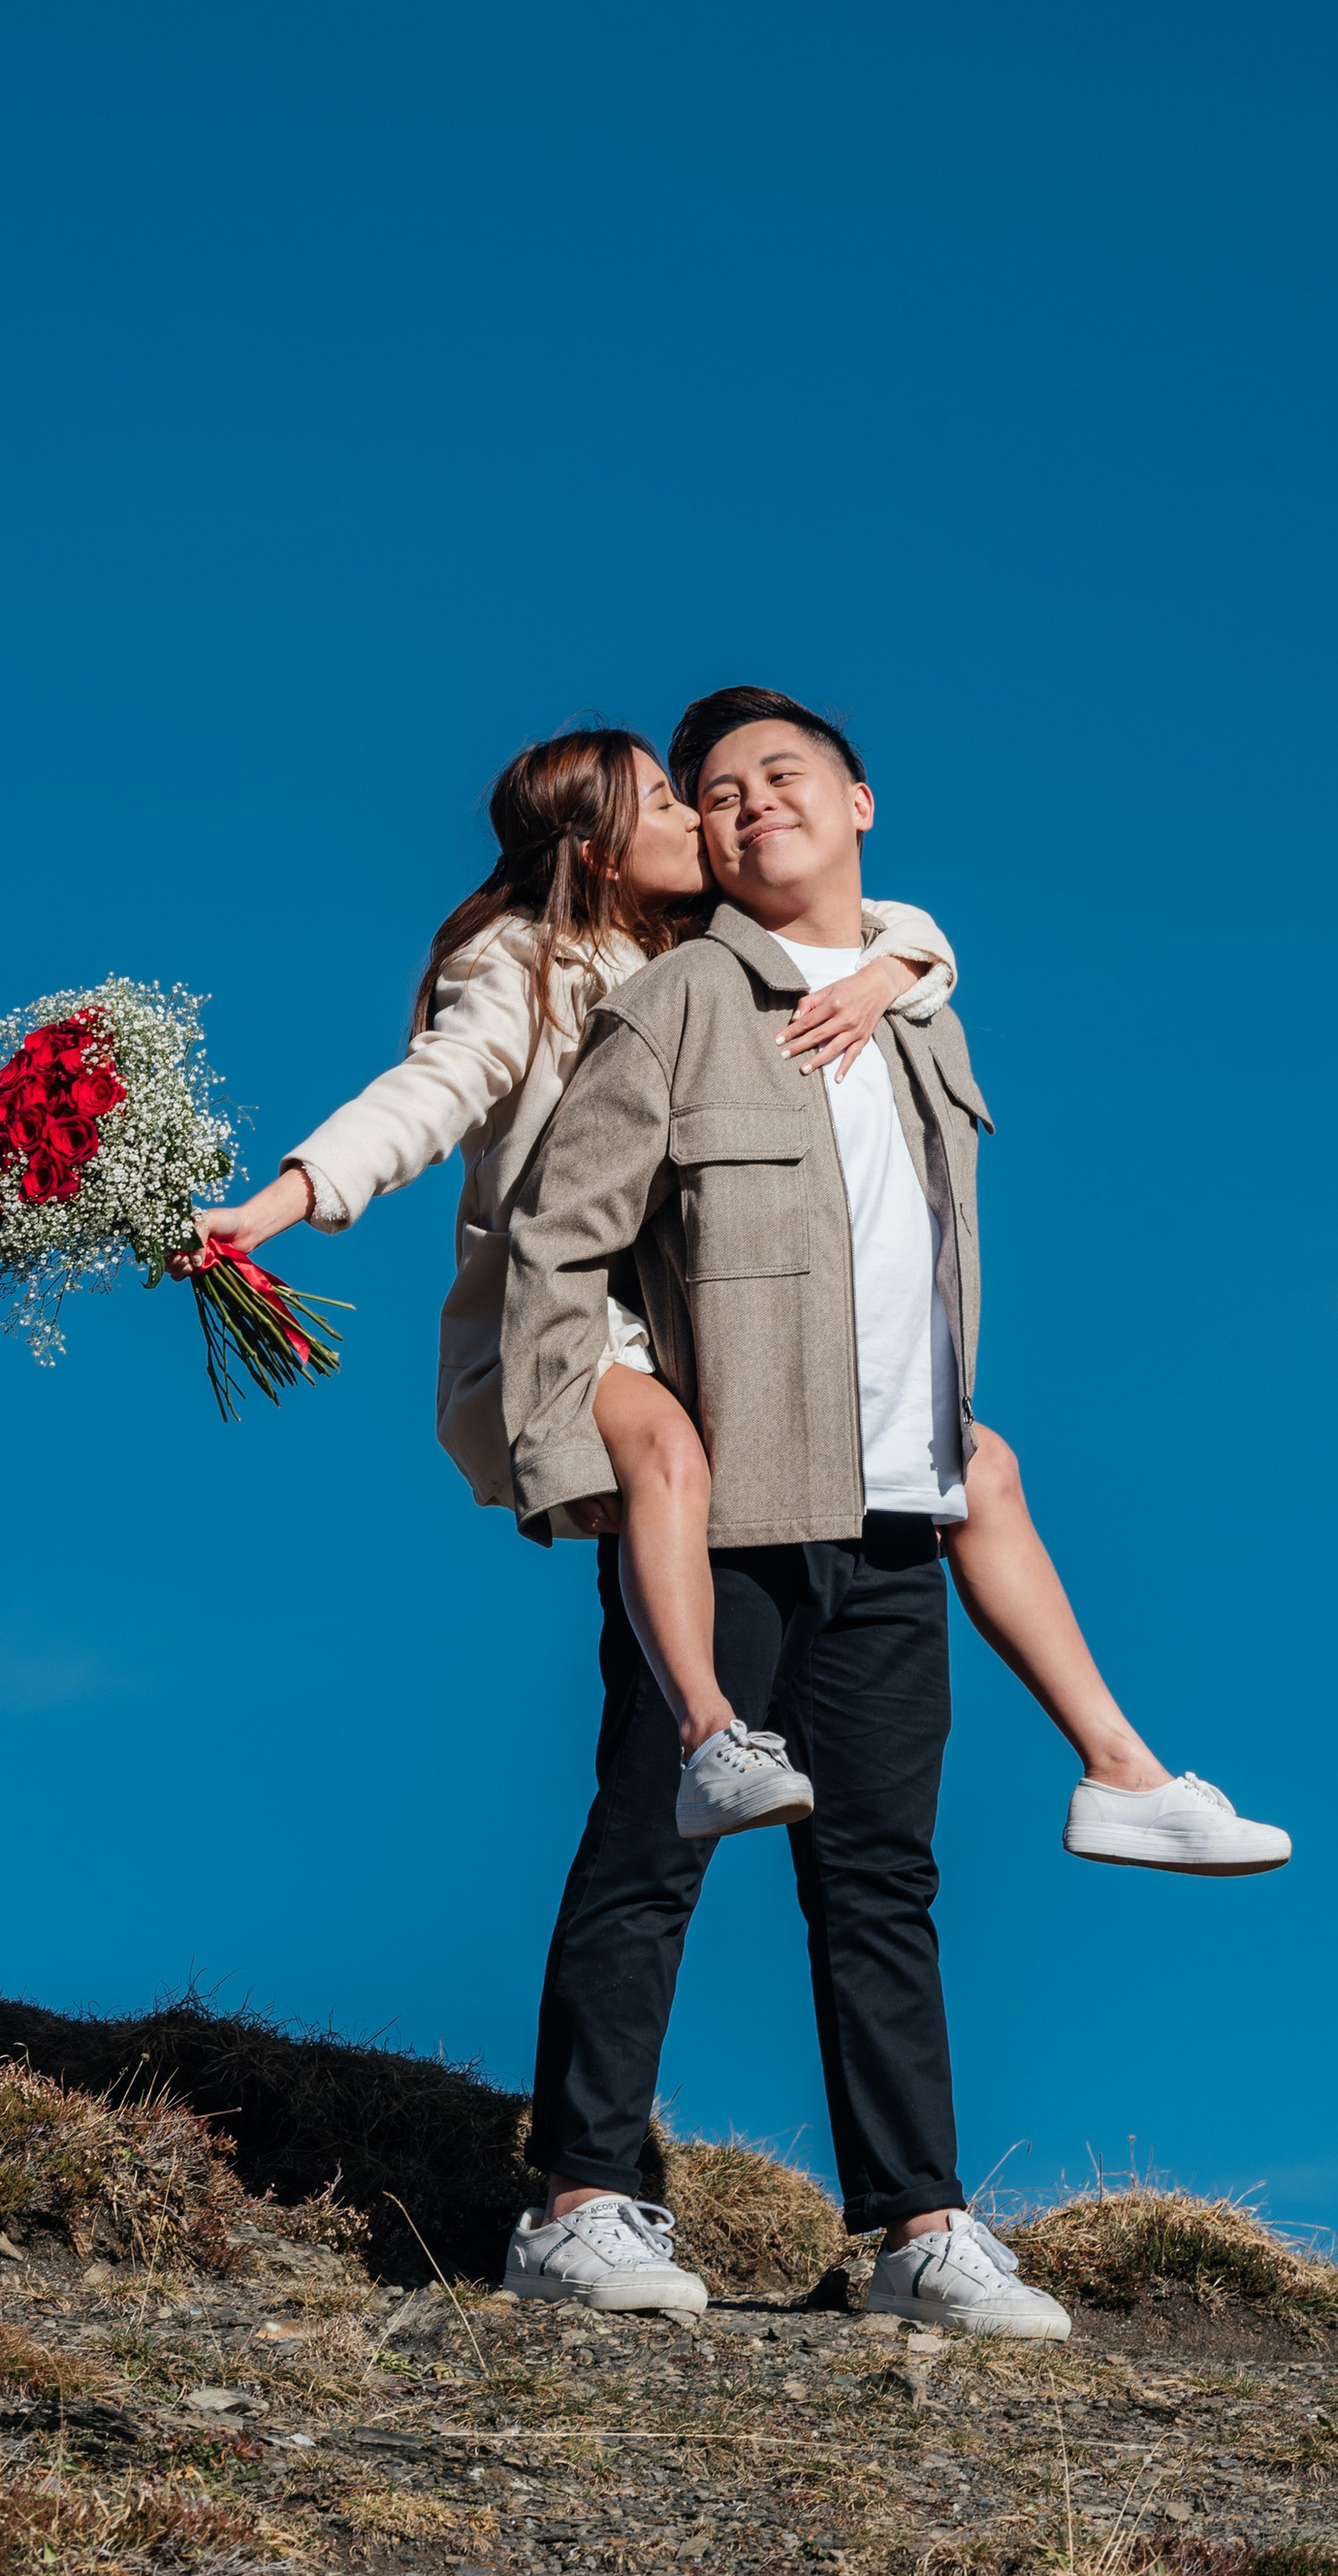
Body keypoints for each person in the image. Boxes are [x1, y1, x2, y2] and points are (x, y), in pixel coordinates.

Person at [494, 690, 1287, 2337]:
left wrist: (901, 964)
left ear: (860, 797)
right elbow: (556, 1252)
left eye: (781, 775)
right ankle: (577, 2197)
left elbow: (923, 965)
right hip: (726, 1520)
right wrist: (579, 1470)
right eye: (712, 795)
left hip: (897, 1515)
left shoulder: (920, 1008)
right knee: (651, 1845)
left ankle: (919, 2229)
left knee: (883, 1880)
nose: (746, 805)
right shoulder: (676, 1006)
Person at [175, 724, 964, 1835]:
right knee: (668, 1454)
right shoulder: (522, 964)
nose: (701, 816)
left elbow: (902, 927)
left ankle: (1112, 1766)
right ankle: (707, 1734)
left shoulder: (706, 951)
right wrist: (276, 1204)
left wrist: (886, 976)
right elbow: (430, 1092)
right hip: (563, 1326)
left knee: (976, 1469)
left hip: (682, 1331)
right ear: (595, 851)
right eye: (665, 803)